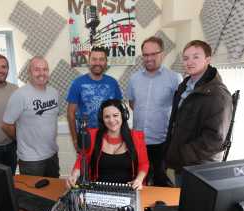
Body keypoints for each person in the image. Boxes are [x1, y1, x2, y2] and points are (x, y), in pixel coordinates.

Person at [165, 40, 233, 187]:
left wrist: (183, 154)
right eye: (186, 58)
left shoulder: (218, 94)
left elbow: (215, 138)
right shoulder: (184, 86)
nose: (189, 62)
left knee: (194, 208)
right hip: (182, 165)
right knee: (181, 204)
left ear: (208, 59)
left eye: (196, 57)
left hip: (200, 168)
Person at [126, 37, 182, 186]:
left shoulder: (175, 78)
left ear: (162, 54)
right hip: (138, 140)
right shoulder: (134, 79)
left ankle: (157, 209)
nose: (149, 58)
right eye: (145, 55)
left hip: (161, 142)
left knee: (159, 180)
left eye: (153, 54)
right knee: (138, 180)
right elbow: (132, 104)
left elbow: (179, 108)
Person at [66, 99, 149, 190]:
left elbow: (144, 164)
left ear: (123, 116)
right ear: (102, 119)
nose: (111, 120)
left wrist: (139, 180)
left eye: (115, 115)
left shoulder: (137, 137)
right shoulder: (93, 135)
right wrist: (74, 175)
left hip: (128, 189)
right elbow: (82, 160)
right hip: (98, 189)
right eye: (107, 117)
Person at [2, 56, 60, 177]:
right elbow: (6, 125)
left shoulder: (54, 92)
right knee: (33, 195)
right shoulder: (20, 95)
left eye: (45, 69)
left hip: (52, 154)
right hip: (31, 160)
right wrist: (21, 139)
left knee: (53, 193)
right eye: (37, 69)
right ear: (29, 73)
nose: (41, 73)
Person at [66, 46, 122, 151]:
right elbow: (70, 114)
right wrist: (75, 140)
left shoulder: (113, 83)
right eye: (94, 59)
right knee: (86, 167)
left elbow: (119, 111)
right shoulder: (77, 83)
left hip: (110, 137)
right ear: (89, 61)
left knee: (108, 167)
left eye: (101, 59)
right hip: (86, 138)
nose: (98, 63)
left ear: (106, 62)